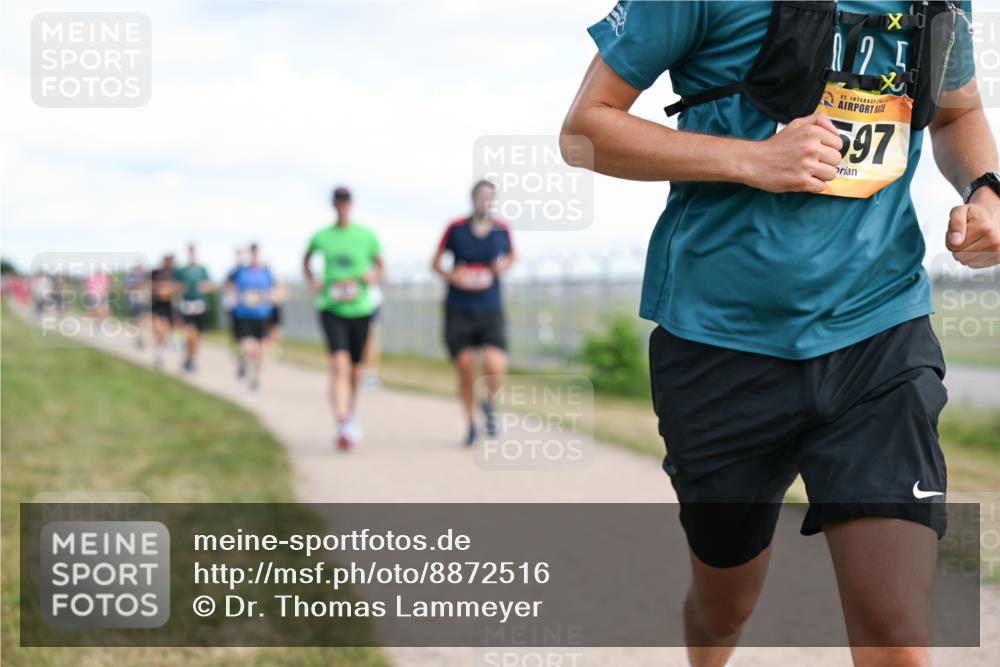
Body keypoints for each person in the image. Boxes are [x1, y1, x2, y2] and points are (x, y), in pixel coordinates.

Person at [562, 2, 990, 666]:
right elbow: (585, 130)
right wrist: (753, 159)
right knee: (724, 608)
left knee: (899, 640)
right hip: (719, 342)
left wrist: (986, 189)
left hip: (878, 331)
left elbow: (959, 114)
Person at [431, 180, 515, 446]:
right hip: (460, 308)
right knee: (466, 367)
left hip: (490, 307)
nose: (485, 201)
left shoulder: (501, 229)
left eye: (490, 197)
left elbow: (512, 255)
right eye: (481, 196)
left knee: (495, 366)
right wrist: (451, 275)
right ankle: (470, 425)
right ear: (473, 198)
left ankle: (489, 403)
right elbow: (435, 262)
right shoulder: (456, 228)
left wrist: (503, 267)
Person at [303, 186, 384, 451]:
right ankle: (342, 420)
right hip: (331, 307)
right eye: (338, 202)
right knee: (340, 365)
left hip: (360, 309)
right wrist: (313, 280)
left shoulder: (366, 235)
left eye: (346, 202)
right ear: (333, 205)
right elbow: (306, 260)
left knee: (356, 370)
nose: (342, 206)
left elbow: (381, 266)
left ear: (351, 204)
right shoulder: (322, 236)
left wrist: (373, 275)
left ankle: (350, 411)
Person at [231, 243, 275, 391]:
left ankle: (256, 379)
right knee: (248, 347)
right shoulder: (240, 271)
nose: (255, 257)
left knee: (261, 349)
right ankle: (243, 361)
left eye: (257, 253)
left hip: (262, 315)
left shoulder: (266, 272)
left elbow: (274, 289)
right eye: (252, 253)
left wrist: (272, 296)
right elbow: (228, 284)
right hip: (244, 315)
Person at [174, 244, 213, 372]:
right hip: (187, 305)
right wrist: (181, 288)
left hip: (199, 306)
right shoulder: (182, 271)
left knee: (197, 337)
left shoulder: (202, 270)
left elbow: (209, 285)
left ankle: (191, 360)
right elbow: (176, 286)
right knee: (189, 334)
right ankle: (188, 357)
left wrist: (204, 287)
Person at [150, 254, 178, 369]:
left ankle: (160, 352)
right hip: (157, 305)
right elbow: (155, 288)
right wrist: (163, 290)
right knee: (158, 329)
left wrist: (166, 291)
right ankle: (159, 350)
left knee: (165, 331)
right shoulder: (156, 273)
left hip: (168, 306)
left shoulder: (175, 274)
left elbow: (176, 289)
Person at [224, 248, 247, 375]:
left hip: (248, 310)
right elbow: (227, 286)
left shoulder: (248, 271)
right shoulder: (233, 271)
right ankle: (239, 356)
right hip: (235, 308)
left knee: (246, 337)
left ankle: (243, 360)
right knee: (236, 335)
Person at [124, 263, 152, 349]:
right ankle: (140, 338)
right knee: (141, 320)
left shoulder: (145, 277)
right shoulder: (133, 277)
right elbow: (127, 290)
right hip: (139, 302)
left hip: (143, 302)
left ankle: (141, 337)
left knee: (142, 320)